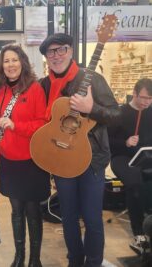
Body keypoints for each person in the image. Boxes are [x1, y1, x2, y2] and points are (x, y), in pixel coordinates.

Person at [39, 33, 120, 267]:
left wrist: (91, 108)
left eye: (61, 49)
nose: (56, 56)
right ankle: (75, 260)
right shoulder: (45, 85)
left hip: (91, 159)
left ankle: (93, 262)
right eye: (51, 52)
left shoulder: (92, 78)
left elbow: (116, 116)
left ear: (71, 51)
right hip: (62, 157)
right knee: (69, 218)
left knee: (93, 218)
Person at [0, 44, 50, 267]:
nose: (10, 65)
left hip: (32, 160)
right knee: (16, 211)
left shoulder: (34, 89)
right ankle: (19, 256)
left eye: (14, 60)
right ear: (1, 65)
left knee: (33, 210)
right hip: (9, 159)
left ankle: (35, 259)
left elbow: (42, 124)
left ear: (23, 62)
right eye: (6, 61)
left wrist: (17, 126)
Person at [108, 78, 152, 255]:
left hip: (145, 157)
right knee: (134, 182)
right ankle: (139, 234)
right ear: (134, 94)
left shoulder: (150, 110)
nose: (147, 102)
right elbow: (108, 142)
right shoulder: (119, 113)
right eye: (144, 98)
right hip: (121, 157)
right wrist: (125, 142)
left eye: (151, 99)